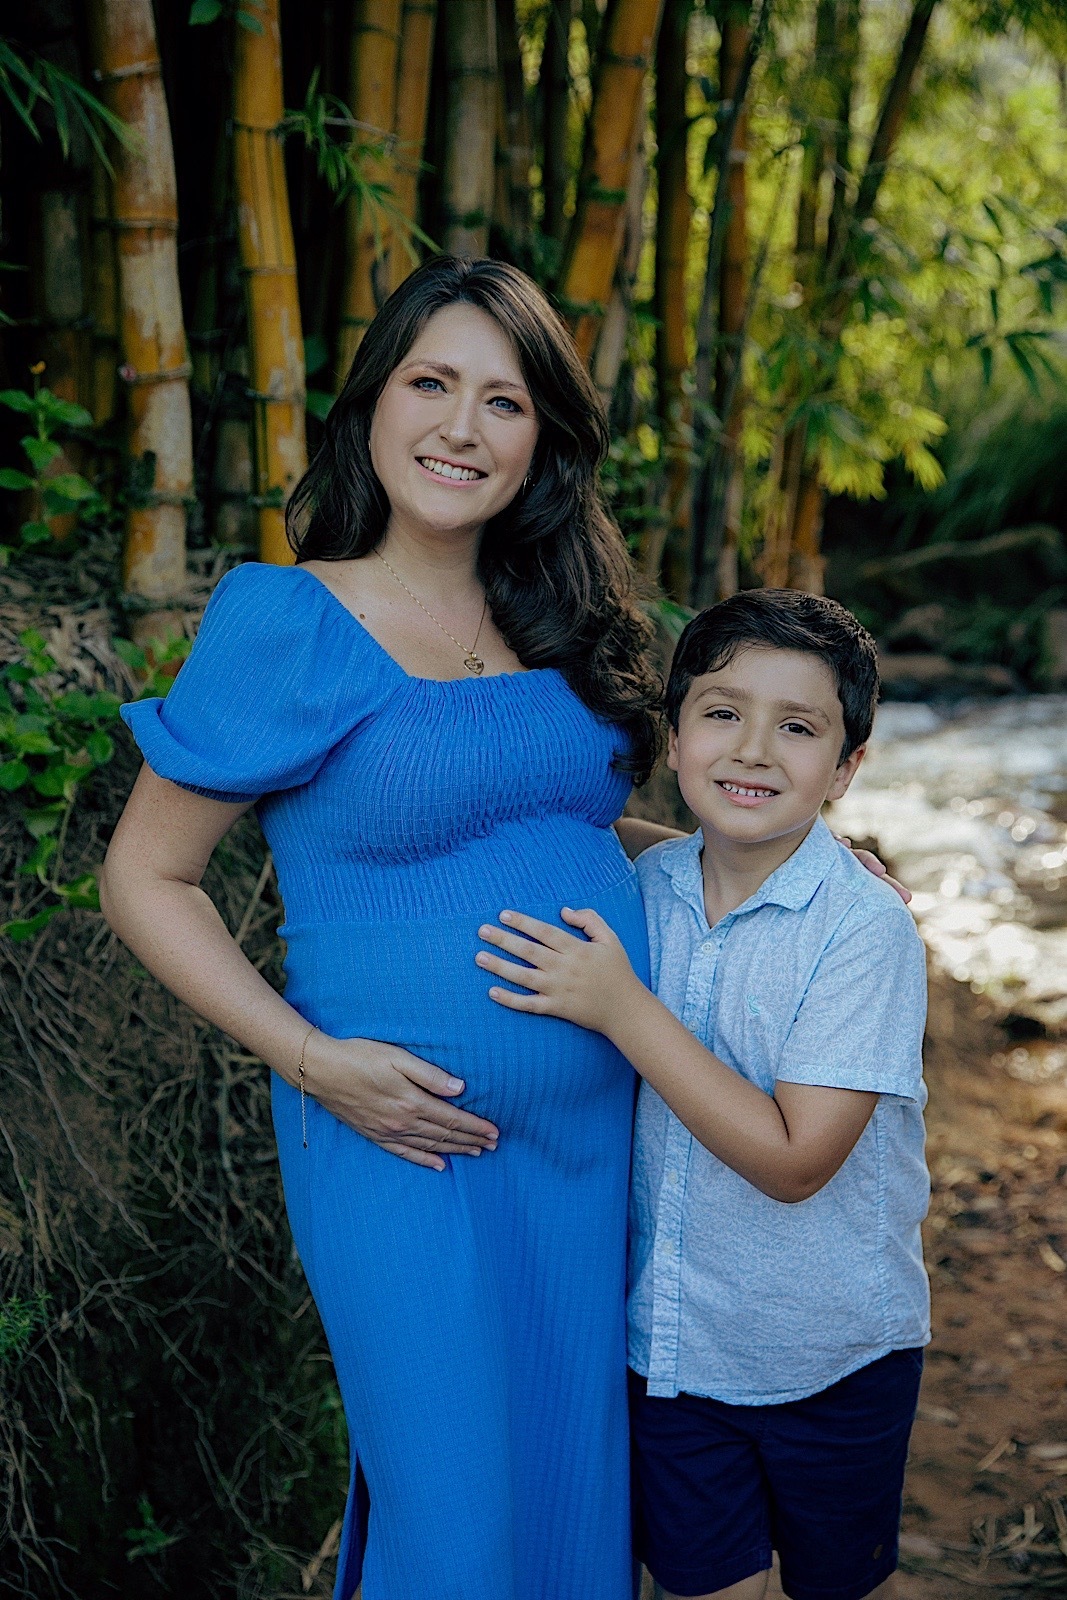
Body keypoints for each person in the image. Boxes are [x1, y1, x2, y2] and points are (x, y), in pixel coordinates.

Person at [476, 588, 930, 1600]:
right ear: (672, 739)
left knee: (842, 1588)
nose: (753, 750)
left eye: (798, 727)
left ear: (845, 768)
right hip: (670, 1350)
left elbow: (793, 1160)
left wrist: (622, 1009)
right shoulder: (642, 890)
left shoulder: (862, 931)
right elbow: (618, 841)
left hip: (829, 1355)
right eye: (721, 714)